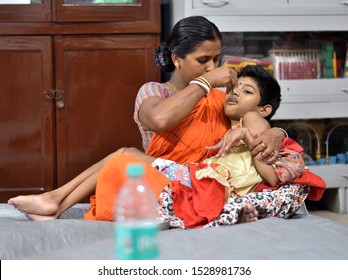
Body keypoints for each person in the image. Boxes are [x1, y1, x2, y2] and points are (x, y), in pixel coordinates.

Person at [8, 16, 287, 220]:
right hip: (160, 181)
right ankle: (53, 201)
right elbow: (160, 119)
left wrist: (278, 133)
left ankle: (54, 200)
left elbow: (252, 119)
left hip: (204, 182)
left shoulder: (219, 96)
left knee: (122, 154)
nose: (213, 67)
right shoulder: (154, 92)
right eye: (203, 60)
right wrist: (205, 82)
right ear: (177, 59)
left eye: (216, 59)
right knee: (123, 157)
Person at [82, 65, 325, 228]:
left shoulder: (249, 118)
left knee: (124, 162)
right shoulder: (219, 107)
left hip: (198, 180)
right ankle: (58, 200)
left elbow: (272, 173)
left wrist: (265, 132)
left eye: (246, 90)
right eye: (235, 87)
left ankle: (58, 201)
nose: (235, 93)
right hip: (193, 177)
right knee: (124, 163)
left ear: (264, 109)